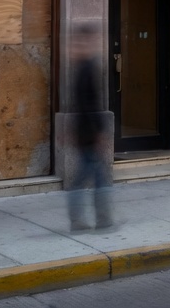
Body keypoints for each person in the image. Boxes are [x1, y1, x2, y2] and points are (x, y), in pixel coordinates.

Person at [67, 24, 114, 231]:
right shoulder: (87, 68)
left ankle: (85, 219)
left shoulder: (81, 68)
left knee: (87, 177)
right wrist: (99, 132)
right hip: (89, 135)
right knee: (98, 179)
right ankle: (100, 220)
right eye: (92, 40)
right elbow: (89, 105)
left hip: (84, 133)